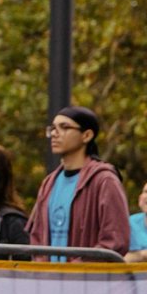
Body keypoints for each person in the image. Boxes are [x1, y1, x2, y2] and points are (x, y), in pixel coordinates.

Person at [25, 106, 130, 261]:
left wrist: (78, 270)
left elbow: (115, 241)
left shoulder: (104, 180)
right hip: (50, 281)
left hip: (86, 281)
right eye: (52, 128)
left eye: (64, 127)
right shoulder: (49, 183)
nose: (54, 133)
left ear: (86, 135)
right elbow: (37, 237)